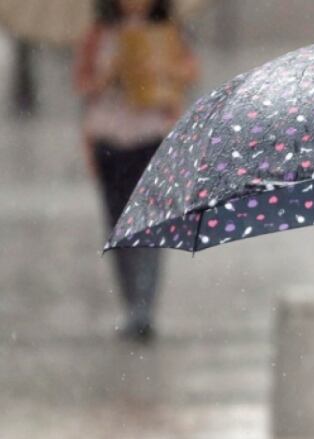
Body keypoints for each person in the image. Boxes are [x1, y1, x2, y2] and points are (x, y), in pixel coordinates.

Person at [73, 0, 198, 342]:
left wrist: (156, 71)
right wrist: (108, 74)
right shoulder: (100, 34)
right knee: (117, 226)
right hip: (109, 136)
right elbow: (83, 86)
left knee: (150, 223)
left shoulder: (170, 33)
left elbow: (188, 74)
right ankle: (132, 304)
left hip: (151, 135)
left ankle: (144, 306)